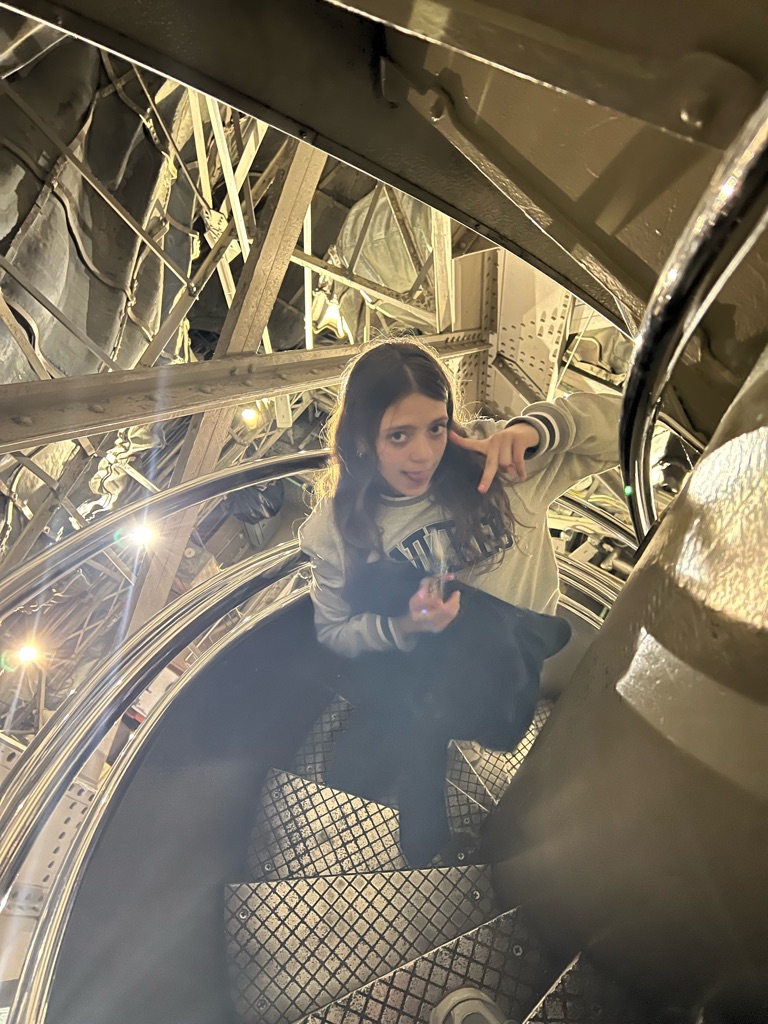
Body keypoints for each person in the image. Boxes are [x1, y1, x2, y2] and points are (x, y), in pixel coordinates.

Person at [299, 340, 620, 864]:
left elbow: (632, 429)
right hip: (428, 669)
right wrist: (405, 626)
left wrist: (539, 429)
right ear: (360, 440)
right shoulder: (337, 529)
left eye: (436, 428)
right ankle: (428, 848)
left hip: (521, 653)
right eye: (398, 436)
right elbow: (334, 631)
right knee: (416, 723)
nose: (423, 454)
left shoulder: (500, 464)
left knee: (436, 719)